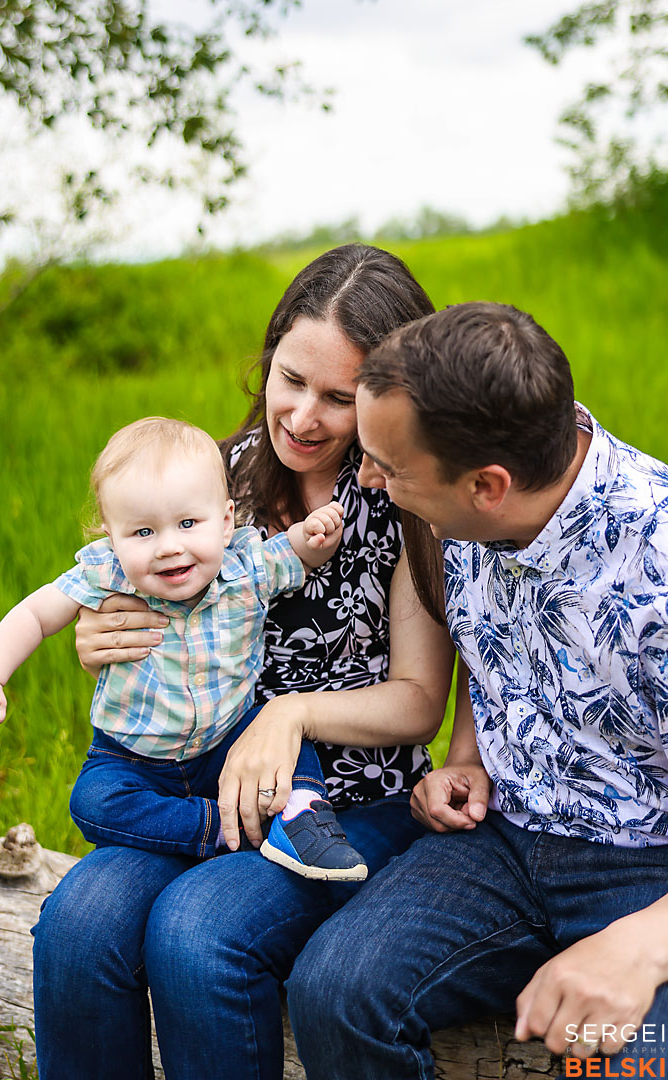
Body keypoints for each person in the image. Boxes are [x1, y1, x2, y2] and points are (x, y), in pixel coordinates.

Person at [30, 244, 457, 1079]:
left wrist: (288, 713)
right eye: (291, 379)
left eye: (340, 398)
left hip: (345, 802)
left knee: (198, 932)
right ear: (268, 358)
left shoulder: (408, 502)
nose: (302, 416)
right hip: (192, 779)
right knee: (80, 921)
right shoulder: (212, 481)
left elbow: (419, 702)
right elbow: (129, 597)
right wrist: (100, 638)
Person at [288, 301, 668, 1080]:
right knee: (334, 992)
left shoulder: (656, 565)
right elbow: (495, 644)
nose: (368, 480)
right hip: (499, 844)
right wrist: (467, 757)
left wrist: (641, 943)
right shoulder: (458, 510)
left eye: (389, 468)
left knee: (618, 1064)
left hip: (648, 872)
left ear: (488, 486)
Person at [0, 415, 369, 880]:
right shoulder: (104, 576)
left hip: (228, 739)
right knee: (93, 801)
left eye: (188, 523)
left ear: (227, 520)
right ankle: (215, 828)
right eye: (143, 533)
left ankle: (302, 816)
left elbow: (293, 553)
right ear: (111, 539)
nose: (169, 547)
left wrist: (314, 537)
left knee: (283, 737)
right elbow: (33, 614)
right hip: (134, 758)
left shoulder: (246, 568)